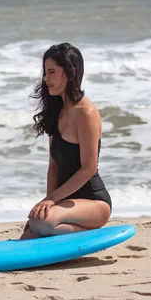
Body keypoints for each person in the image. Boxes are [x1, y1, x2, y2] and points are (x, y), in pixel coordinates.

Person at [20, 43, 112, 240]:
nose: (46, 78)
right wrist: (47, 205)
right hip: (67, 204)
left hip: (94, 203)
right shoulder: (58, 112)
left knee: (40, 224)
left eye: (52, 71)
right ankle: (51, 227)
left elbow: (89, 169)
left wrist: (51, 200)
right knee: (32, 231)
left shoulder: (86, 113)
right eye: (45, 72)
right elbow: (53, 167)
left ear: (70, 72)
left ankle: (91, 233)